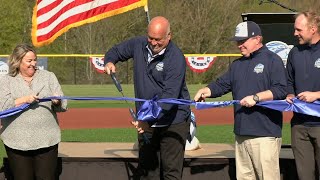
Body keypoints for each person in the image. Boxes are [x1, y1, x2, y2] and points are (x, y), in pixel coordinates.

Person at [194, 21, 287, 180]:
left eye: (242, 41)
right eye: (237, 41)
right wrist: (206, 91)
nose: (239, 45)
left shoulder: (273, 60)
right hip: (241, 134)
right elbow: (222, 84)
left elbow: (281, 90)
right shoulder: (237, 65)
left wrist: (256, 97)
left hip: (265, 135)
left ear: (257, 39)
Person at [104, 16, 191, 180]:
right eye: (150, 38)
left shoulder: (176, 58)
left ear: (169, 36)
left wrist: (147, 121)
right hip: (146, 120)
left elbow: (168, 99)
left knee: (171, 173)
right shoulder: (139, 44)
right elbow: (115, 51)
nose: (153, 43)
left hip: (174, 121)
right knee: (147, 173)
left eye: (158, 39)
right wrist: (109, 61)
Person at [0, 43, 67, 180]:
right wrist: (24, 99)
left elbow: (63, 105)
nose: (33, 63)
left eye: (35, 59)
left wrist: (57, 101)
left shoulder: (49, 76)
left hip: (47, 139)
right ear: (18, 61)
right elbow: (3, 107)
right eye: (29, 61)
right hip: (17, 141)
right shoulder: (6, 80)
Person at [286, 11, 320, 180]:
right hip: (299, 125)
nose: (295, 33)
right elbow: (289, 81)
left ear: (313, 29)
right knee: (304, 176)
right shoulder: (294, 52)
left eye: (298, 29)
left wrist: (317, 94)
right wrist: (290, 93)